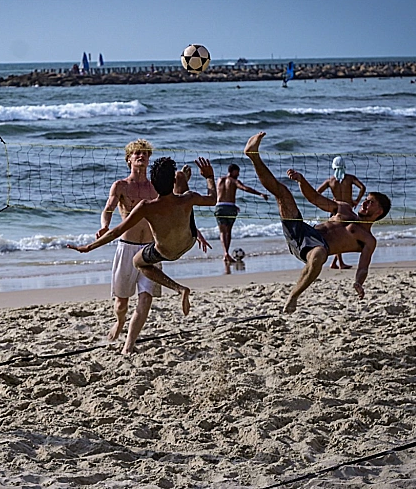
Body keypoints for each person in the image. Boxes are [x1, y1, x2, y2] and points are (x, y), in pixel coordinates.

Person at [243, 132, 391, 313]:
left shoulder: (368, 239)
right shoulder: (344, 208)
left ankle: (293, 297)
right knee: (282, 193)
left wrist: (358, 283)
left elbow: (363, 267)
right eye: (366, 199)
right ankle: (253, 156)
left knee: (320, 253)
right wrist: (301, 180)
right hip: (303, 232)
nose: (364, 202)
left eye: (371, 202)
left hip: (315, 249)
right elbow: (314, 198)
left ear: (379, 212)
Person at [70, 157, 217, 318]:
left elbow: (116, 231)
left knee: (137, 261)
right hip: (188, 241)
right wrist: (209, 177)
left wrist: (88, 247)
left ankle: (179, 288)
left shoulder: (146, 206)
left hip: (165, 251)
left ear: (153, 184)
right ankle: (180, 178)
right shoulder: (189, 197)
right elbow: (213, 199)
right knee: (184, 194)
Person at [96, 139, 160, 355]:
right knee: (121, 304)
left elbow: (171, 210)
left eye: (145, 153)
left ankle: (129, 345)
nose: (141, 156)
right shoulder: (121, 185)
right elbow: (108, 208)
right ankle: (120, 321)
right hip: (127, 247)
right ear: (129, 159)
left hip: (150, 250)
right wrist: (105, 226)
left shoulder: (155, 187)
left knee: (146, 298)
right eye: (137, 153)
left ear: (149, 158)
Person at [316, 156, 367, 269]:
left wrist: (329, 203)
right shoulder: (350, 178)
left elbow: (317, 193)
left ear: (333, 167)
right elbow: (362, 187)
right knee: (347, 234)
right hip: (348, 209)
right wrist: (357, 200)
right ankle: (340, 263)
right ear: (344, 166)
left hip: (336, 210)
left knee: (338, 235)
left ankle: (336, 262)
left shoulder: (330, 181)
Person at [215, 163, 268, 263]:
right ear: (232, 171)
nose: (238, 174)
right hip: (230, 207)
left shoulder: (219, 180)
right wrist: (260, 193)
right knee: (228, 231)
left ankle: (225, 253)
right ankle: (227, 253)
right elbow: (244, 188)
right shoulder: (234, 181)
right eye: (237, 172)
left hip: (219, 207)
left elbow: (220, 194)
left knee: (222, 232)